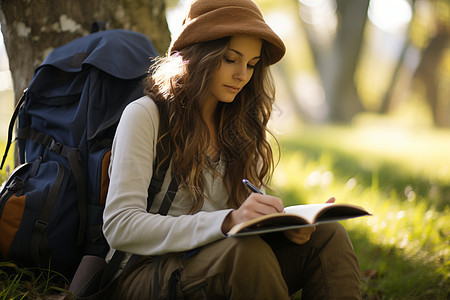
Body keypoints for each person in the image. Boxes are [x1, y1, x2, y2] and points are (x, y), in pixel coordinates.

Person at [102, 0, 362, 299]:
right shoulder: (147, 115)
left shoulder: (238, 125)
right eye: (230, 59)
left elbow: (244, 221)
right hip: (144, 273)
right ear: (199, 53)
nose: (243, 75)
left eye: (251, 64)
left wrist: (285, 227)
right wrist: (227, 221)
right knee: (245, 253)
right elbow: (120, 225)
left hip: (224, 260)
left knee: (329, 235)